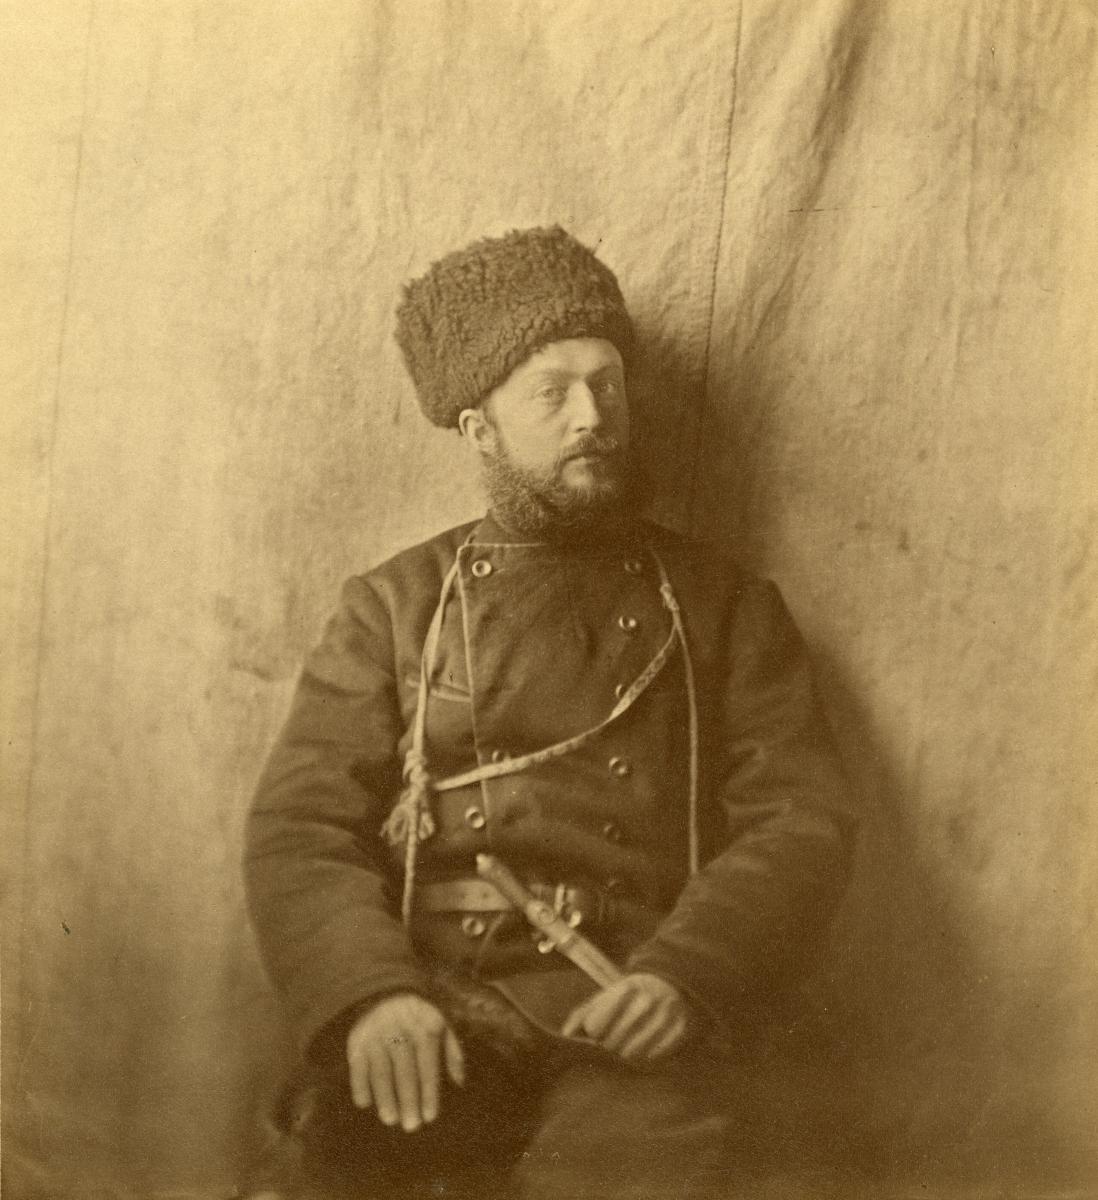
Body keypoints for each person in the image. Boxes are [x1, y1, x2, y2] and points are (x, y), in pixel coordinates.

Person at [243, 225, 859, 1200]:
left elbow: (800, 818)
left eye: (608, 385)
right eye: (553, 392)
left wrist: (688, 974)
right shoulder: (393, 607)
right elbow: (301, 827)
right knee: (340, 1162)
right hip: (439, 1001)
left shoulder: (725, 606)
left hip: (631, 1003)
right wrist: (371, 997)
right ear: (478, 428)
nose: (594, 417)